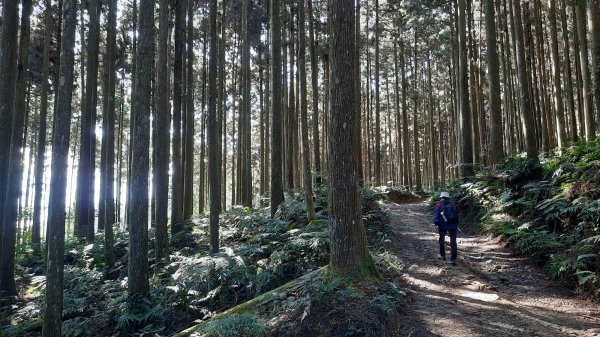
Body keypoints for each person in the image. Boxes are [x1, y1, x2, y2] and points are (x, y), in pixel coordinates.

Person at [433, 191, 459, 266]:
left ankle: (442, 255)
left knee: (441, 239)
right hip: (453, 225)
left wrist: (436, 224)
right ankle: (453, 259)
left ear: (441, 197)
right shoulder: (453, 204)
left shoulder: (438, 205)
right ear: (448, 197)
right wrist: (457, 224)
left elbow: (436, 215)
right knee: (453, 242)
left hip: (442, 225)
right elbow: (457, 215)